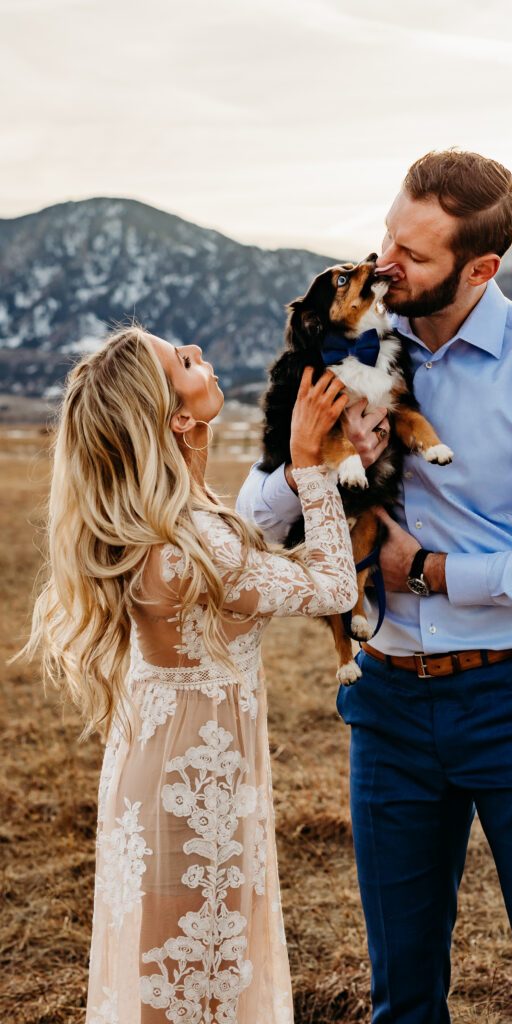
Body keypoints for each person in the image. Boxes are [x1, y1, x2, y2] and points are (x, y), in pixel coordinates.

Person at [236, 149, 512, 1023]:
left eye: (411, 255)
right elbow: (249, 525)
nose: (383, 264)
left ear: (479, 268)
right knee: (401, 996)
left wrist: (429, 571)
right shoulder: (347, 348)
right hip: (388, 705)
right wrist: (303, 458)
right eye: (385, 236)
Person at [22, 326, 357, 1024]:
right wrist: (309, 464)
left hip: (171, 770)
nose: (200, 355)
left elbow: (222, 532)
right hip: (193, 796)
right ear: (175, 418)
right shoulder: (193, 540)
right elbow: (333, 588)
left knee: (185, 986)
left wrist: (222, 455)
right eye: (182, 361)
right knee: (191, 993)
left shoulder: (170, 523)